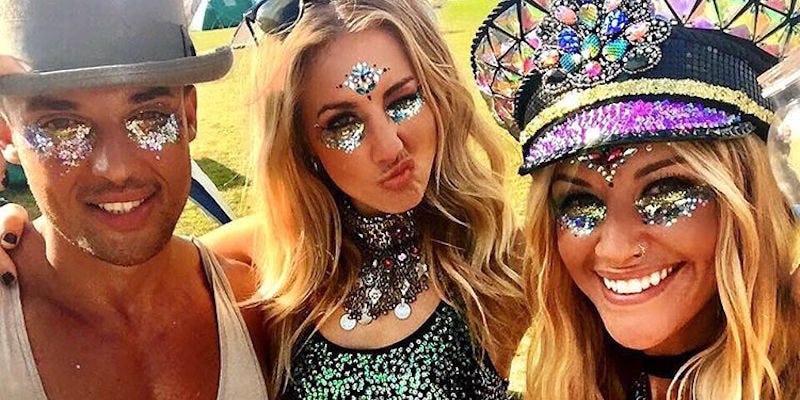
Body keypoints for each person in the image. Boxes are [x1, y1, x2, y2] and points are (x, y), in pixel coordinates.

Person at [0, 0, 529, 398]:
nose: (389, 146)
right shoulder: (276, 259)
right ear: (302, 144)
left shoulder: (505, 259)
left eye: (404, 100)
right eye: (62, 127)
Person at [471, 0, 800, 398]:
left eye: (665, 191)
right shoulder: (569, 383)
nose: (614, 249)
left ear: (749, 194)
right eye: (579, 203)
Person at [0, 0, 268, 398]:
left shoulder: (257, 310)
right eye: (62, 126)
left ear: (188, 115)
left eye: (149, 117)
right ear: (7, 137)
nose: (116, 168)